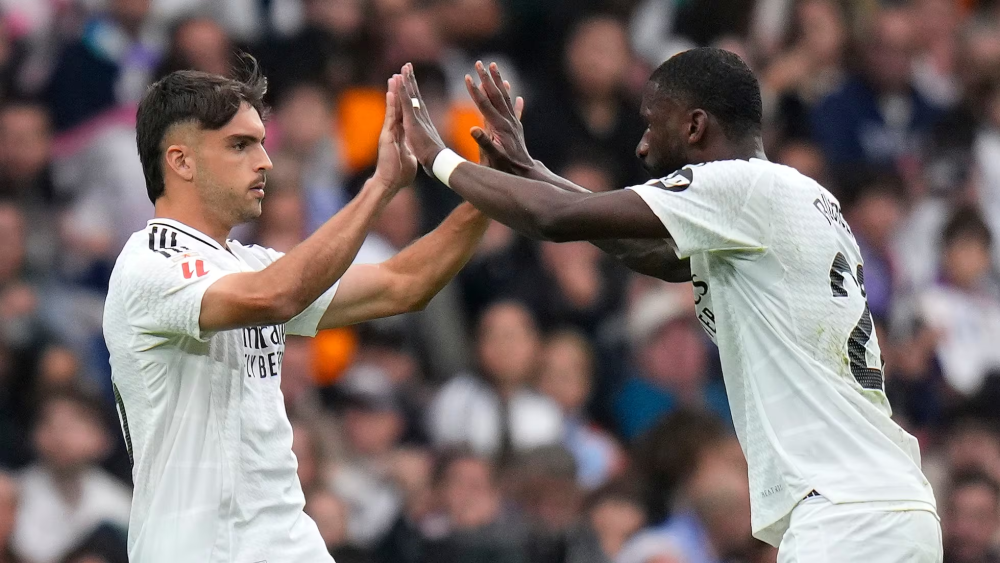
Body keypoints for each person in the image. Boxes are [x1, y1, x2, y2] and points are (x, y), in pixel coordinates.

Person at [397, 47, 941, 561]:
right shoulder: (791, 198)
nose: (640, 146)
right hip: (880, 503)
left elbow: (555, 220)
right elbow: (651, 252)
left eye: (651, 122)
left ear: (695, 126)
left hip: (848, 515)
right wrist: (530, 170)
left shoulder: (737, 187)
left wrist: (438, 158)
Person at [101, 62, 491, 563]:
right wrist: (378, 188)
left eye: (262, 143)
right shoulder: (149, 263)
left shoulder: (250, 263)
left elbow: (402, 284)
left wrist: (488, 188)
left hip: (286, 542)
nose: (265, 161)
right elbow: (275, 297)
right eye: (240, 145)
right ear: (180, 160)